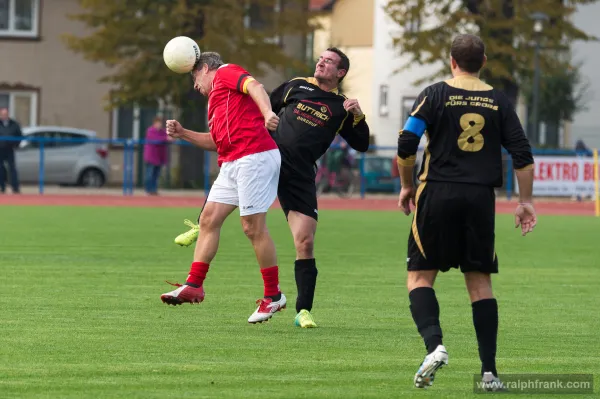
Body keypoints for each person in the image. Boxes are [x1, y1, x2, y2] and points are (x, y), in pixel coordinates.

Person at [173, 48, 370, 328]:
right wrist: (255, 120)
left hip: (297, 173)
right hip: (265, 157)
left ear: (341, 73)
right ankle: (201, 235)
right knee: (226, 221)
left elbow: (362, 144)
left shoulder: (342, 107)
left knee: (305, 241)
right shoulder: (296, 86)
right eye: (320, 58)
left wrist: (359, 116)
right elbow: (257, 103)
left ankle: (303, 310)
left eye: (329, 61)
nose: (321, 62)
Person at [396, 34, 537, 390]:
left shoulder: (433, 94)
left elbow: (406, 142)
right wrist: (525, 202)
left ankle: (435, 346)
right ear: (484, 61)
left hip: (437, 193)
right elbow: (522, 154)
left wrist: (407, 185)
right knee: (479, 283)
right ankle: (489, 373)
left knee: (420, 277)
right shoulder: (499, 100)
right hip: (479, 199)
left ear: (451, 61)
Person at [160, 52, 287, 324]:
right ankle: (194, 284)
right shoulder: (218, 101)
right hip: (232, 162)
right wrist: (183, 133)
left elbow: (255, 86)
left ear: (206, 68)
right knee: (208, 220)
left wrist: (267, 113)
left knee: (252, 227)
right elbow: (216, 142)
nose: (195, 85)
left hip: (254, 156)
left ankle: (273, 296)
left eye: (195, 77)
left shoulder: (226, 73)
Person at [143, 116, 171, 195]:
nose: (159, 125)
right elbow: (156, 139)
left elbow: (169, 137)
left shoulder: (162, 131)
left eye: (160, 124)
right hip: (151, 157)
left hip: (159, 157)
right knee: (149, 174)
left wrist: (170, 138)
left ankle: (154, 190)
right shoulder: (150, 131)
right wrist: (166, 138)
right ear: (154, 123)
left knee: (156, 174)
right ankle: (148, 190)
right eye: (158, 123)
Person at [0, 107, 23, 194]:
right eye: (2, 114)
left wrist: (16, 145)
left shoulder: (14, 124)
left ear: (8, 115)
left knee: (12, 168)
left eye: (5, 114)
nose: (4, 116)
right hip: (0, 149)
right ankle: (2, 187)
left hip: (10, 149)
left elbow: (19, 135)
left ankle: (15, 188)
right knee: (0, 168)